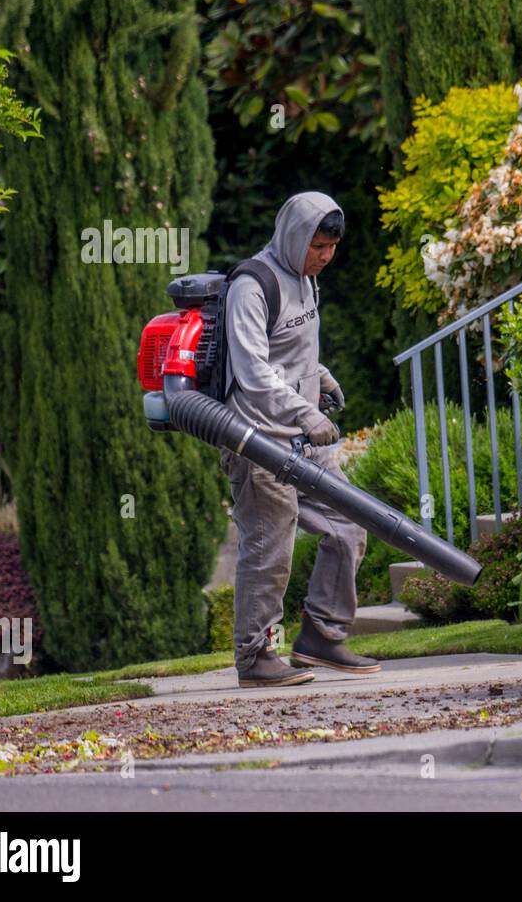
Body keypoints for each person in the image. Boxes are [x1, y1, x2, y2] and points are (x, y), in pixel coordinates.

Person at [220, 191, 381, 688]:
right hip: (259, 439)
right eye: (319, 246)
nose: (326, 257)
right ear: (294, 236)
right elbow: (251, 371)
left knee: (350, 527)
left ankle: (321, 635)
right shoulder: (252, 285)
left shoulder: (308, 283)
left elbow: (291, 353)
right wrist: (305, 412)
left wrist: (321, 376)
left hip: (304, 439)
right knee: (271, 547)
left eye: (332, 247)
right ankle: (254, 658)